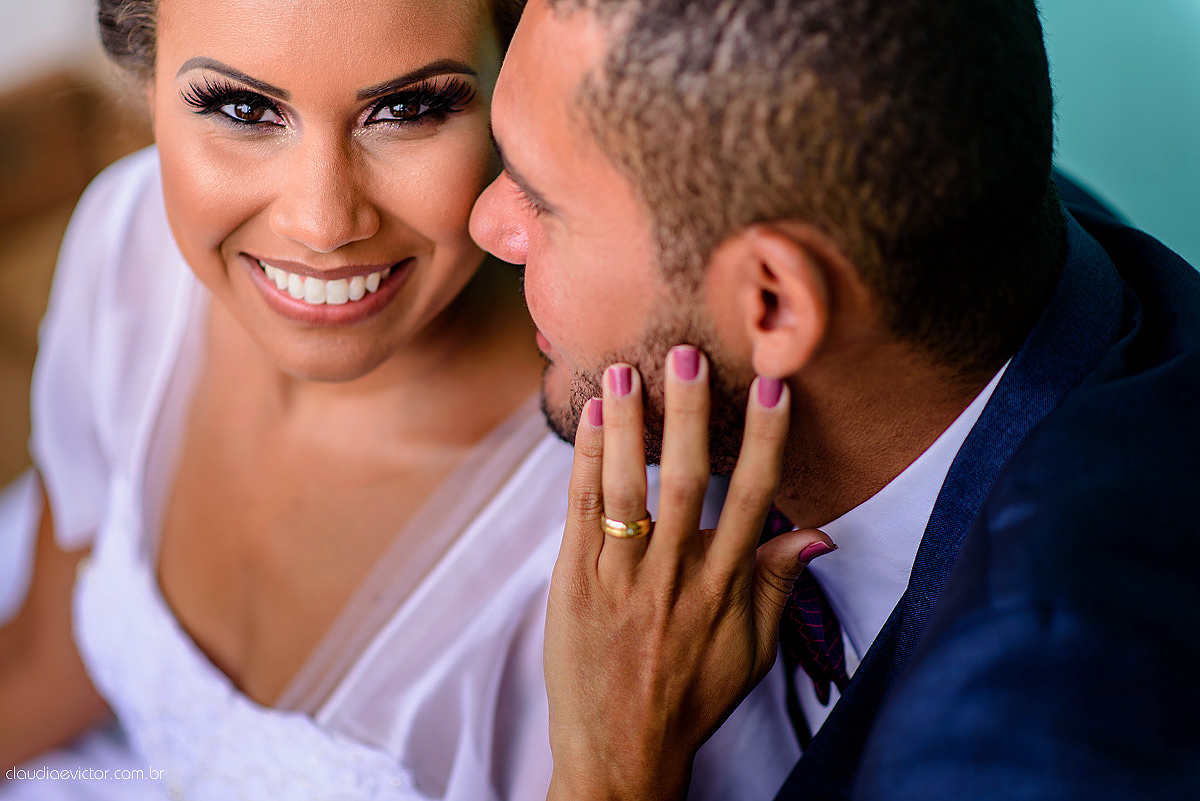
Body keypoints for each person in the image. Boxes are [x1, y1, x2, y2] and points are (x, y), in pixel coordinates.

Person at [0, 0, 814, 799]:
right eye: (243, 108)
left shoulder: (617, 515)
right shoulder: (129, 244)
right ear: (147, 90)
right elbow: (49, 660)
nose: (323, 222)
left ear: (515, 89)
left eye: (408, 108)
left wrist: (615, 775)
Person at [468, 0, 1200, 799]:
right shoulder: (933, 188)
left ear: (776, 303)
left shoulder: (1023, 745)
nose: (486, 225)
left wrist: (607, 774)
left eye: (540, 197)